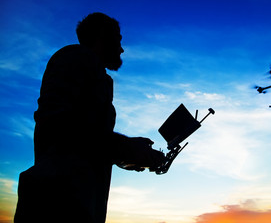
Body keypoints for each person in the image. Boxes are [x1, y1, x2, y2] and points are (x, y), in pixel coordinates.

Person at [14, 12, 165, 223]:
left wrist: (136, 157)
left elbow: (92, 144)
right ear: (103, 35)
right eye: (118, 40)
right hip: (58, 205)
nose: (121, 49)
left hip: (78, 205)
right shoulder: (76, 57)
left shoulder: (96, 73)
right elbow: (65, 130)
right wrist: (130, 148)